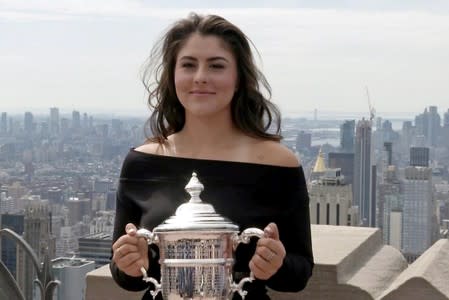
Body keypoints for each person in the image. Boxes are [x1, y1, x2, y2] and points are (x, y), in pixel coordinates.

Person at [110, 12, 314, 300]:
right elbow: (125, 276)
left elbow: (301, 271)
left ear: (239, 78)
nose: (201, 77)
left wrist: (275, 264)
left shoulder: (277, 164)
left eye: (216, 66)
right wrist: (130, 264)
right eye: (188, 65)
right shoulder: (142, 163)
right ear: (173, 75)